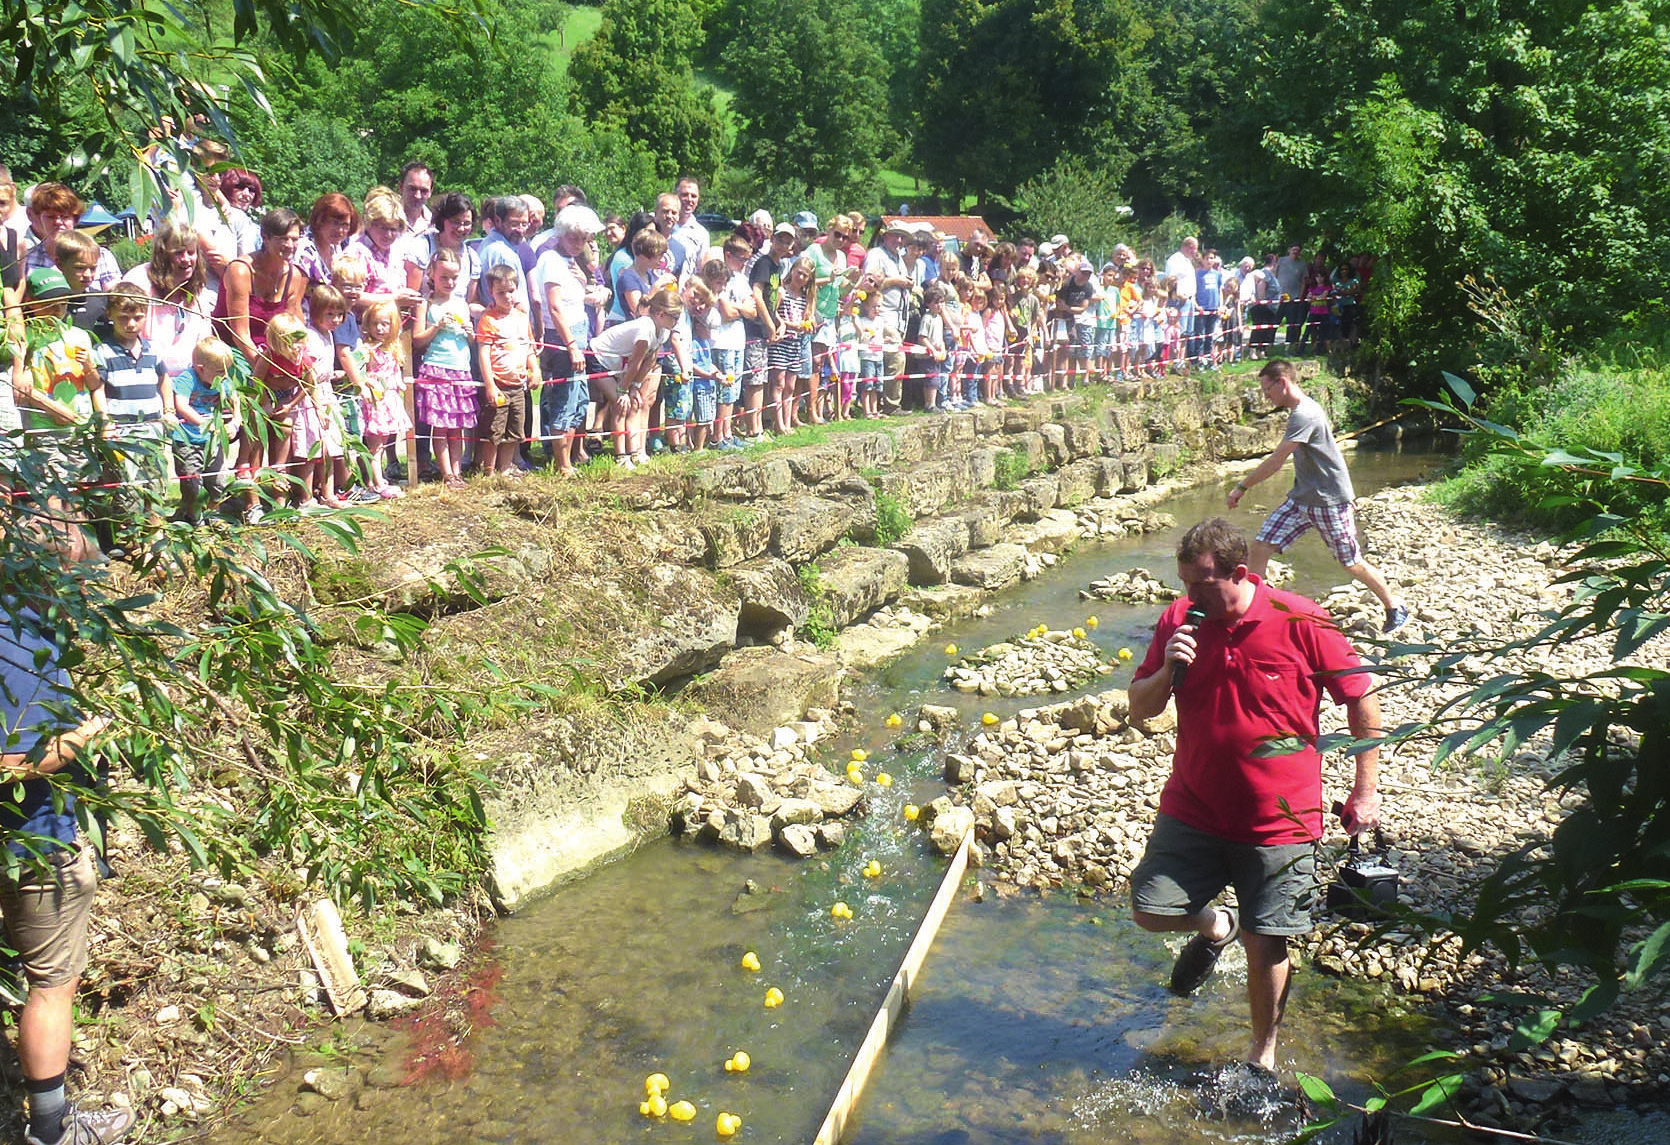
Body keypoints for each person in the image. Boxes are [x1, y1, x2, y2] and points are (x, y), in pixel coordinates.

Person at [1127, 516, 1383, 1074]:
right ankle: (1215, 925)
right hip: (1193, 807)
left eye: (1202, 586)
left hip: (1280, 820)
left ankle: (1261, 1057)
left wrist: (1366, 791)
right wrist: (1170, 666)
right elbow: (1139, 707)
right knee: (1149, 908)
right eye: (1185, 584)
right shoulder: (1179, 620)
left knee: (1267, 941)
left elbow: (1361, 702)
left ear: (1239, 573)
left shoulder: (1302, 618)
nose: (1189, 598)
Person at [0, 517, 137, 1145]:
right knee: (52, 986)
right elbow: (13, 766)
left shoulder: (30, 627)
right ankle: (51, 1133)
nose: (80, 594)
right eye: (74, 581)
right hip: (33, 844)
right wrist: (77, 743)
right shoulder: (16, 646)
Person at [1228, 359, 1411, 632]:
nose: (1266, 396)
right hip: (1301, 499)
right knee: (1260, 547)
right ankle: (1254, 609)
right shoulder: (1298, 410)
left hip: (1330, 501)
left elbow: (1278, 460)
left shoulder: (1305, 414)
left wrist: (1242, 487)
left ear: (1283, 383)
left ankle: (1395, 607)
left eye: (1268, 389)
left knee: (1351, 563)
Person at [588, 281, 682, 467]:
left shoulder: (662, 331)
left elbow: (650, 361)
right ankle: (621, 456)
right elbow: (635, 363)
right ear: (661, 314)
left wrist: (635, 387)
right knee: (619, 403)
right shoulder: (644, 330)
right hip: (599, 360)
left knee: (635, 404)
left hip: (620, 366)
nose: (677, 321)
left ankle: (635, 452)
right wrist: (623, 390)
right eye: (675, 317)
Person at [168, 337, 240, 525]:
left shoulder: (222, 380)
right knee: (192, 483)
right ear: (201, 368)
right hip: (188, 440)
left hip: (213, 441)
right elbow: (181, 406)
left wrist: (234, 423)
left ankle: (214, 516)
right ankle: (194, 517)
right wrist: (207, 425)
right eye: (219, 372)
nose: (224, 376)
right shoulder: (187, 379)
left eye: (226, 371)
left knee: (217, 481)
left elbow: (235, 401)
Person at [474, 263, 537, 477]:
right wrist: (490, 385)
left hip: (518, 385)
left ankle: (506, 468)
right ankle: (489, 472)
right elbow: (483, 354)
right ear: (491, 292)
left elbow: (529, 347)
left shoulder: (521, 318)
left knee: (514, 431)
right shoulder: (488, 320)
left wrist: (535, 369)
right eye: (500, 293)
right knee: (494, 430)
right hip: (498, 384)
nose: (507, 297)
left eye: (511, 291)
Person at [356, 301, 409, 499]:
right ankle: (377, 483)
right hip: (375, 402)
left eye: (385, 324)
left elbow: (394, 372)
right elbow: (364, 372)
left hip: (389, 401)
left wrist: (399, 383)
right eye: (375, 324)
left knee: (383, 444)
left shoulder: (392, 348)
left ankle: (376, 478)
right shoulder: (368, 349)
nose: (380, 328)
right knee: (374, 447)